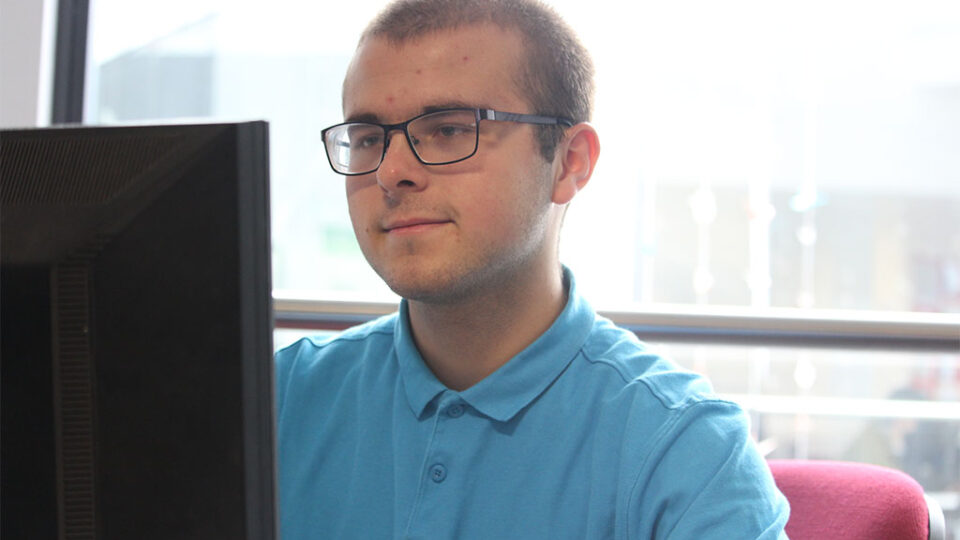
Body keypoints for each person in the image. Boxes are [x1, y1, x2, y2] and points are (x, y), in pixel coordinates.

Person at [274, 0, 790, 538]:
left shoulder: (686, 453)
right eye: (367, 139)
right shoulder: (277, 403)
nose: (391, 171)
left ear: (570, 163)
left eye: (449, 129)